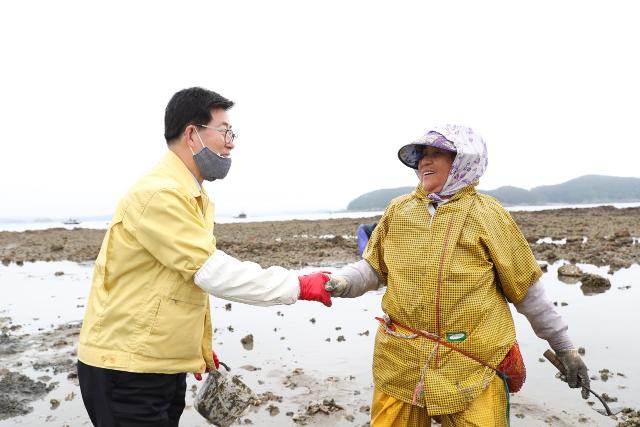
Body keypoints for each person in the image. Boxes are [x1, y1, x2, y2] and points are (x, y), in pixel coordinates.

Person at [77, 87, 332, 427]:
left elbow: (173, 283)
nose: (231, 143)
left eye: (232, 133)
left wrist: (194, 349)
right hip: (126, 367)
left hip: (158, 363)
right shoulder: (159, 193)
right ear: (192, 134)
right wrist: (298, 285)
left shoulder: (191, 193)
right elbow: (210, 271)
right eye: (225, 131)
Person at [325, 124, 589, 426]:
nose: (425, 161)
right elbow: (374, 268)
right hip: (402, 360)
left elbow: (527, 292)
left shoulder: (488, 215)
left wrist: (565, 348)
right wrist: (342, 283)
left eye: (437, 153)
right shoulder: (398, 211)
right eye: (422, 155)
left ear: (465, 161)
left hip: (472, 365)